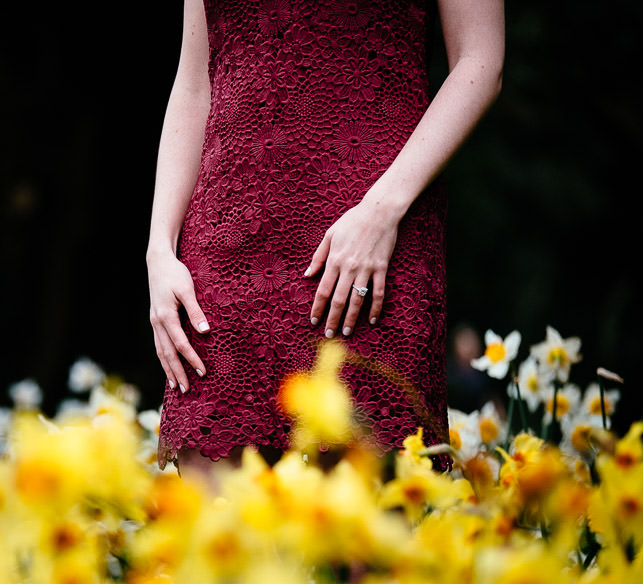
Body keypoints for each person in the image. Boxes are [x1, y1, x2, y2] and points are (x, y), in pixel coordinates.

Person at [146, 0, 504, 483]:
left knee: (362, 525)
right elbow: (194, 82)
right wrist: (160, 250)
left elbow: (480, 61)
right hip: (222, 249)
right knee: (218, 537)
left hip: (370, 245)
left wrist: (383, 210)